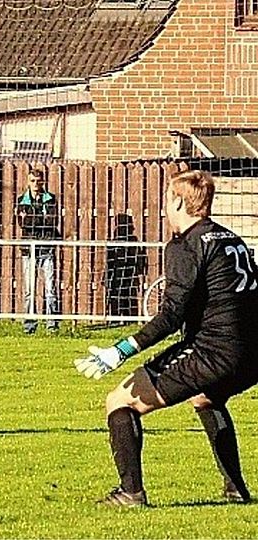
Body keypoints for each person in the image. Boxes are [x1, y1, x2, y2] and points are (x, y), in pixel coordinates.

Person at [74, 170, 258, 507]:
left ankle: (131, 493)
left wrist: (122, 349)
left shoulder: (185, 245)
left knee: (119, 401)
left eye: (166, 201)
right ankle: (236, 489)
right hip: (252, 354)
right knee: (205, 397)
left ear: (177, 201)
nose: (165, 209)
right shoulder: (232, 240)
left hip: (213, 352)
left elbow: (172, 314)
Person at [15, 168, 60, 333]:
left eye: (38, 181)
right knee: (29, 289)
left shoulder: (50, 199)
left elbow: (51, 221)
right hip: (28, 249)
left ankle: (52, 325)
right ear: (28, 181)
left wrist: (34, 219)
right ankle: (29, 325)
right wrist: (39, 219)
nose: (36, 184)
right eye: (32, 181)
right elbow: (23, 224)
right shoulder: (22, 200)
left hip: (46, 247)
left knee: (50, 288)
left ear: (43, 182)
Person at [105, 213, 147, 321]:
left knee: (129, 294)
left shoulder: (133, 240)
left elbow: (138, 255)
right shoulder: (115, 239)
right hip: (117, 271)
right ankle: (115, 317)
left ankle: (129, 317)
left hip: (129, 270)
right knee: (116, 294)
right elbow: (109, 258)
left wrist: (138, 267)